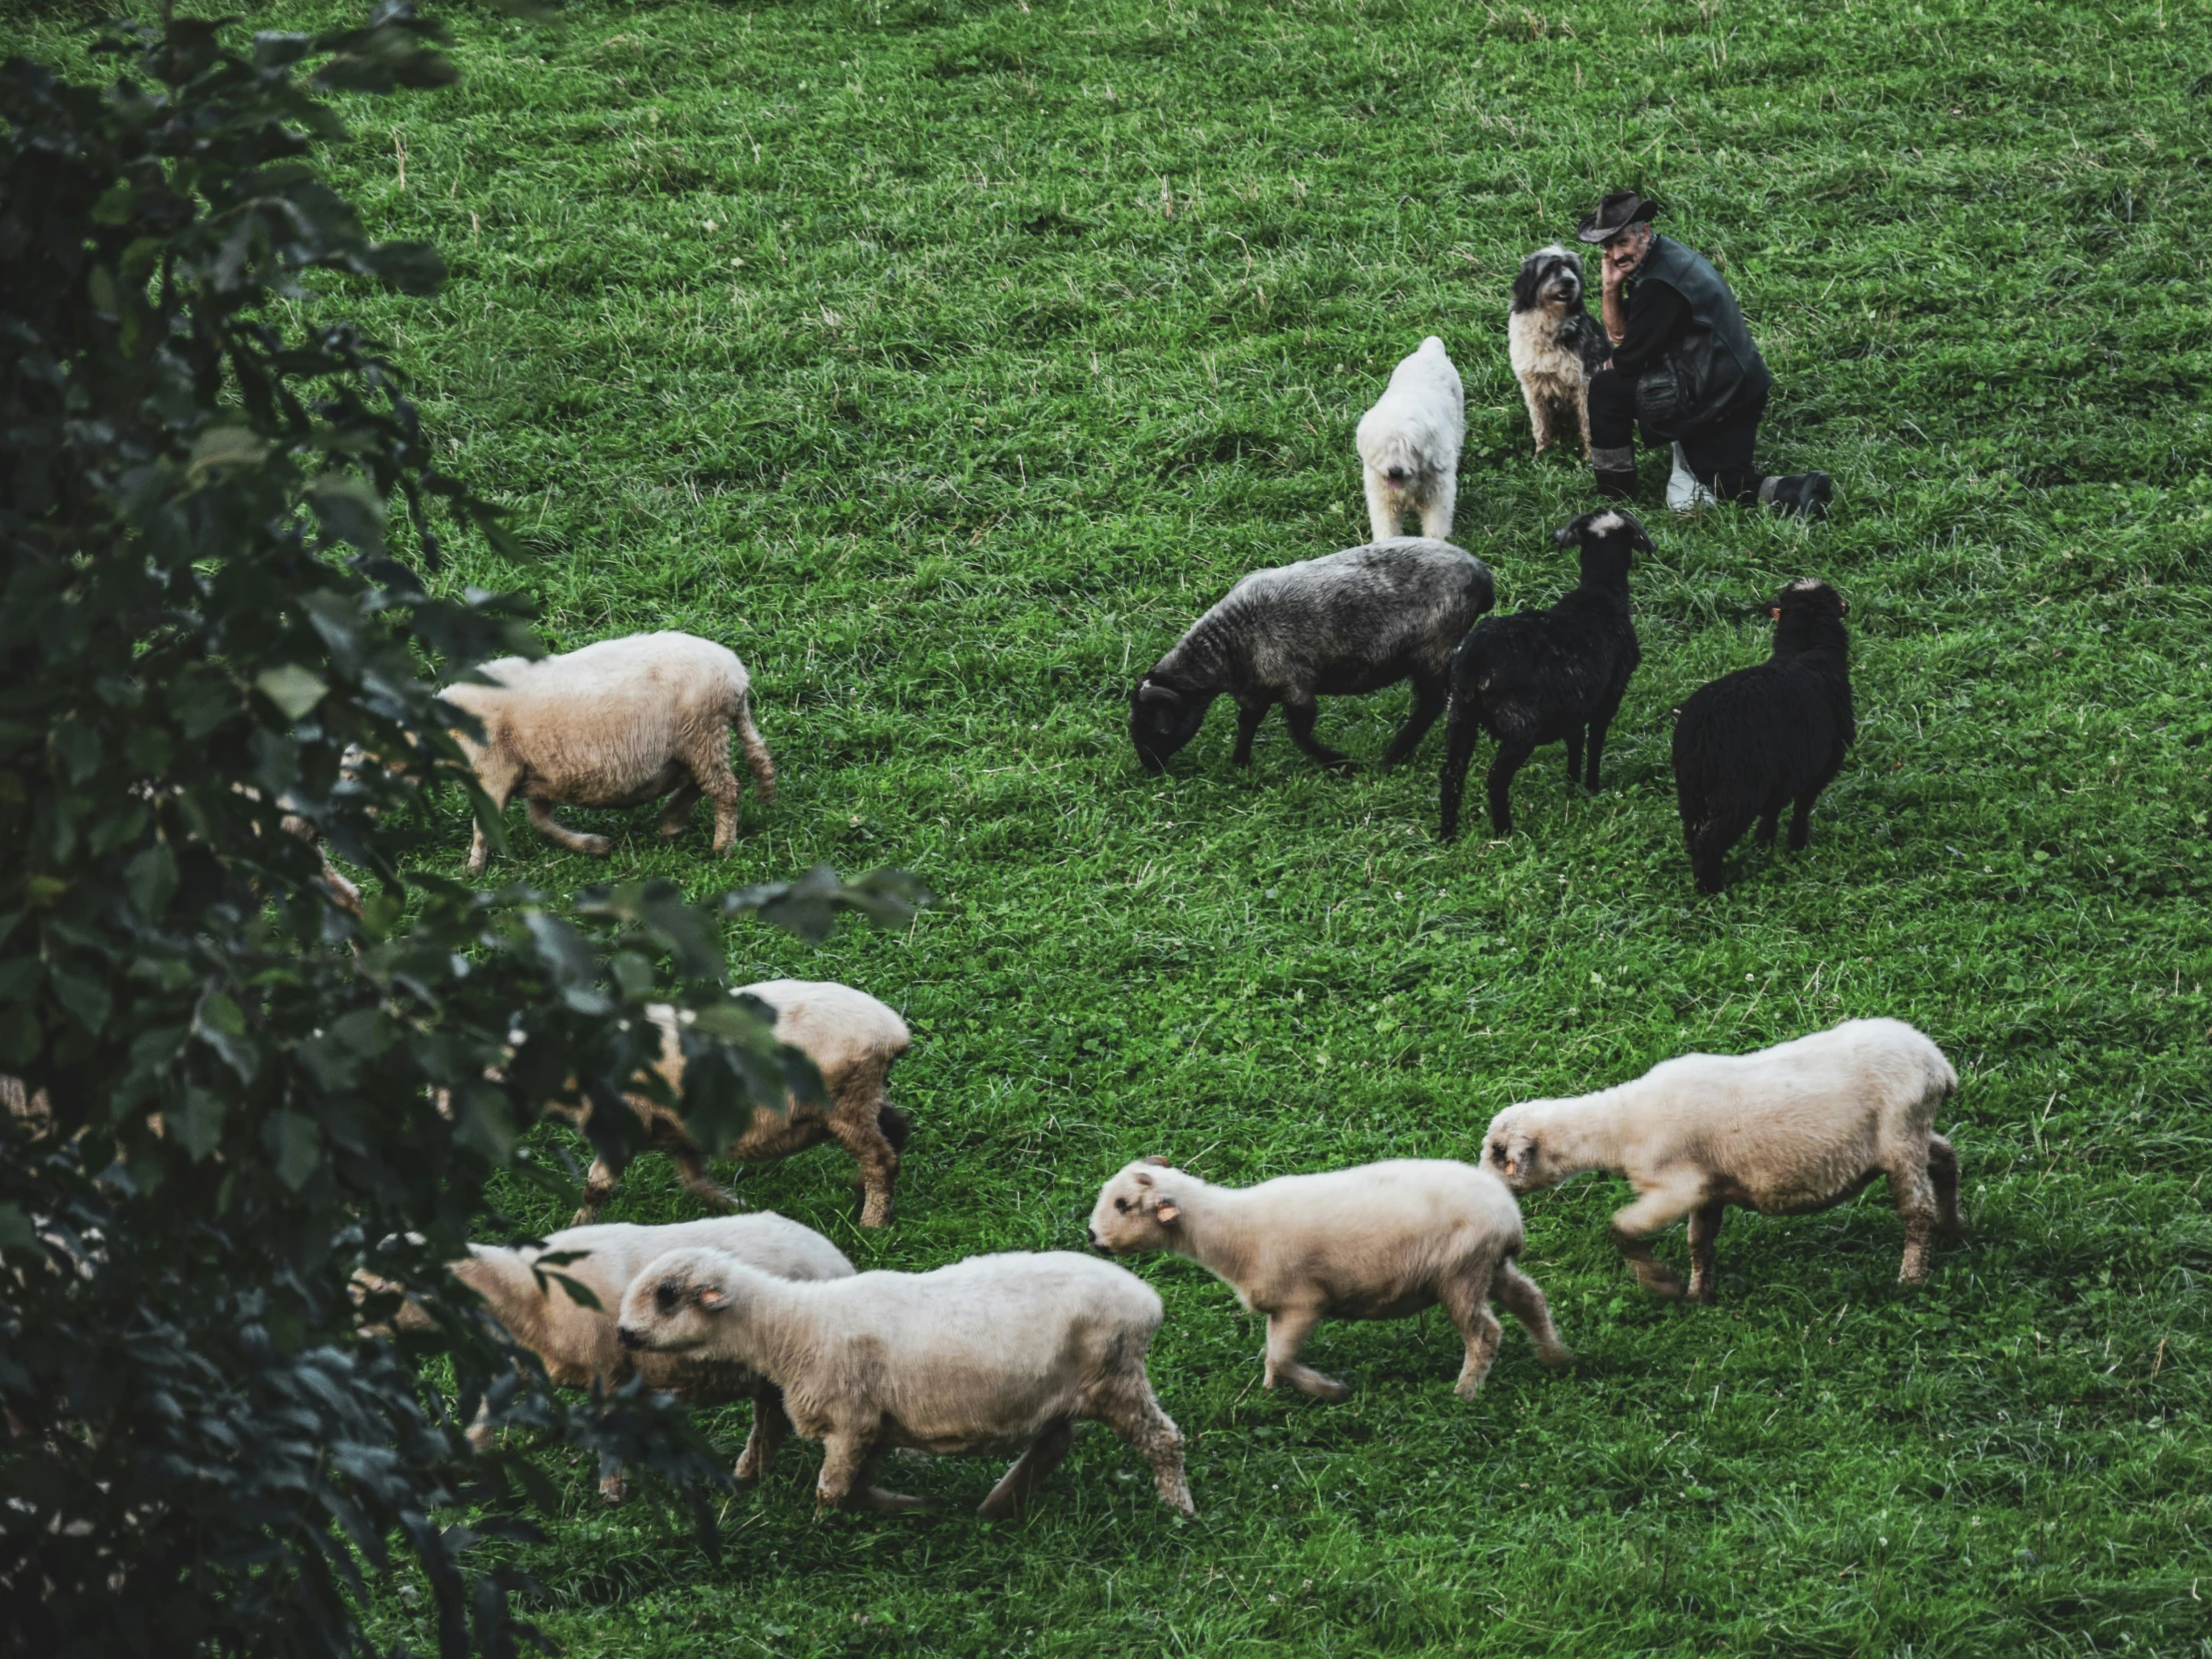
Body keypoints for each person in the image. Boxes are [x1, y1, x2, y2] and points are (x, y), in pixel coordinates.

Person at [1576, 190, 1831, 518]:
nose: (1615, 255)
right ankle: (1794, 489)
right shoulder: (1662, 258)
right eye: (1607, 247)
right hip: (1733, 384)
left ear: (1644, 234)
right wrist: (1610, 288)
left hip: (1718, 399)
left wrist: (1609, 366)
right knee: (1718, 477)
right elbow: (1621, 333)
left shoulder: (1657, 286)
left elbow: (1627, 360)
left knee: (1606, 389)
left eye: (1622, 242)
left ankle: (1615, 494)